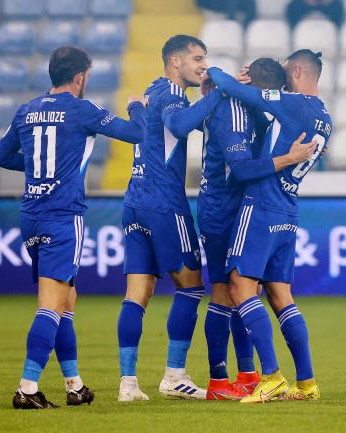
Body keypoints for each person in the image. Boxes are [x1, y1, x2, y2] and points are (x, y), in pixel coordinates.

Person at [0, 46, 146, 409]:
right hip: (62, 217)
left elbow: (0, 156)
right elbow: (135, 133)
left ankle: (74, 385)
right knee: (50, 304)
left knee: (65, 300)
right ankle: (27, 388)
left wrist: (38, 167)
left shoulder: (27, 109)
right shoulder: (83, 109)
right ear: (80, 77)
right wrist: (137, 107)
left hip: (31, 214)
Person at [206, 49, 332, 403]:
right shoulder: (325, 117)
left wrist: (216, 70)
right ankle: (306, 383)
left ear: (297, 70)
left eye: (287, 73)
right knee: (280, 295)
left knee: (239, 286)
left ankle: (272, 376)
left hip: (261, 205)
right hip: (288, 210)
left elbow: (237, 89)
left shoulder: (292, 103)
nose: (284, 81)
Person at [116, 34, 222, 401]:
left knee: (137, 294)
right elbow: (178, 126)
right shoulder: (174, 95)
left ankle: (128, 384)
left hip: (134, 202)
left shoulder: (153, 89)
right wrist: (219, 94)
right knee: (191, 287)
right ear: (175, 61)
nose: (203, 65)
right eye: (197, 58)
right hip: (164, 204)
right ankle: (175, 376)